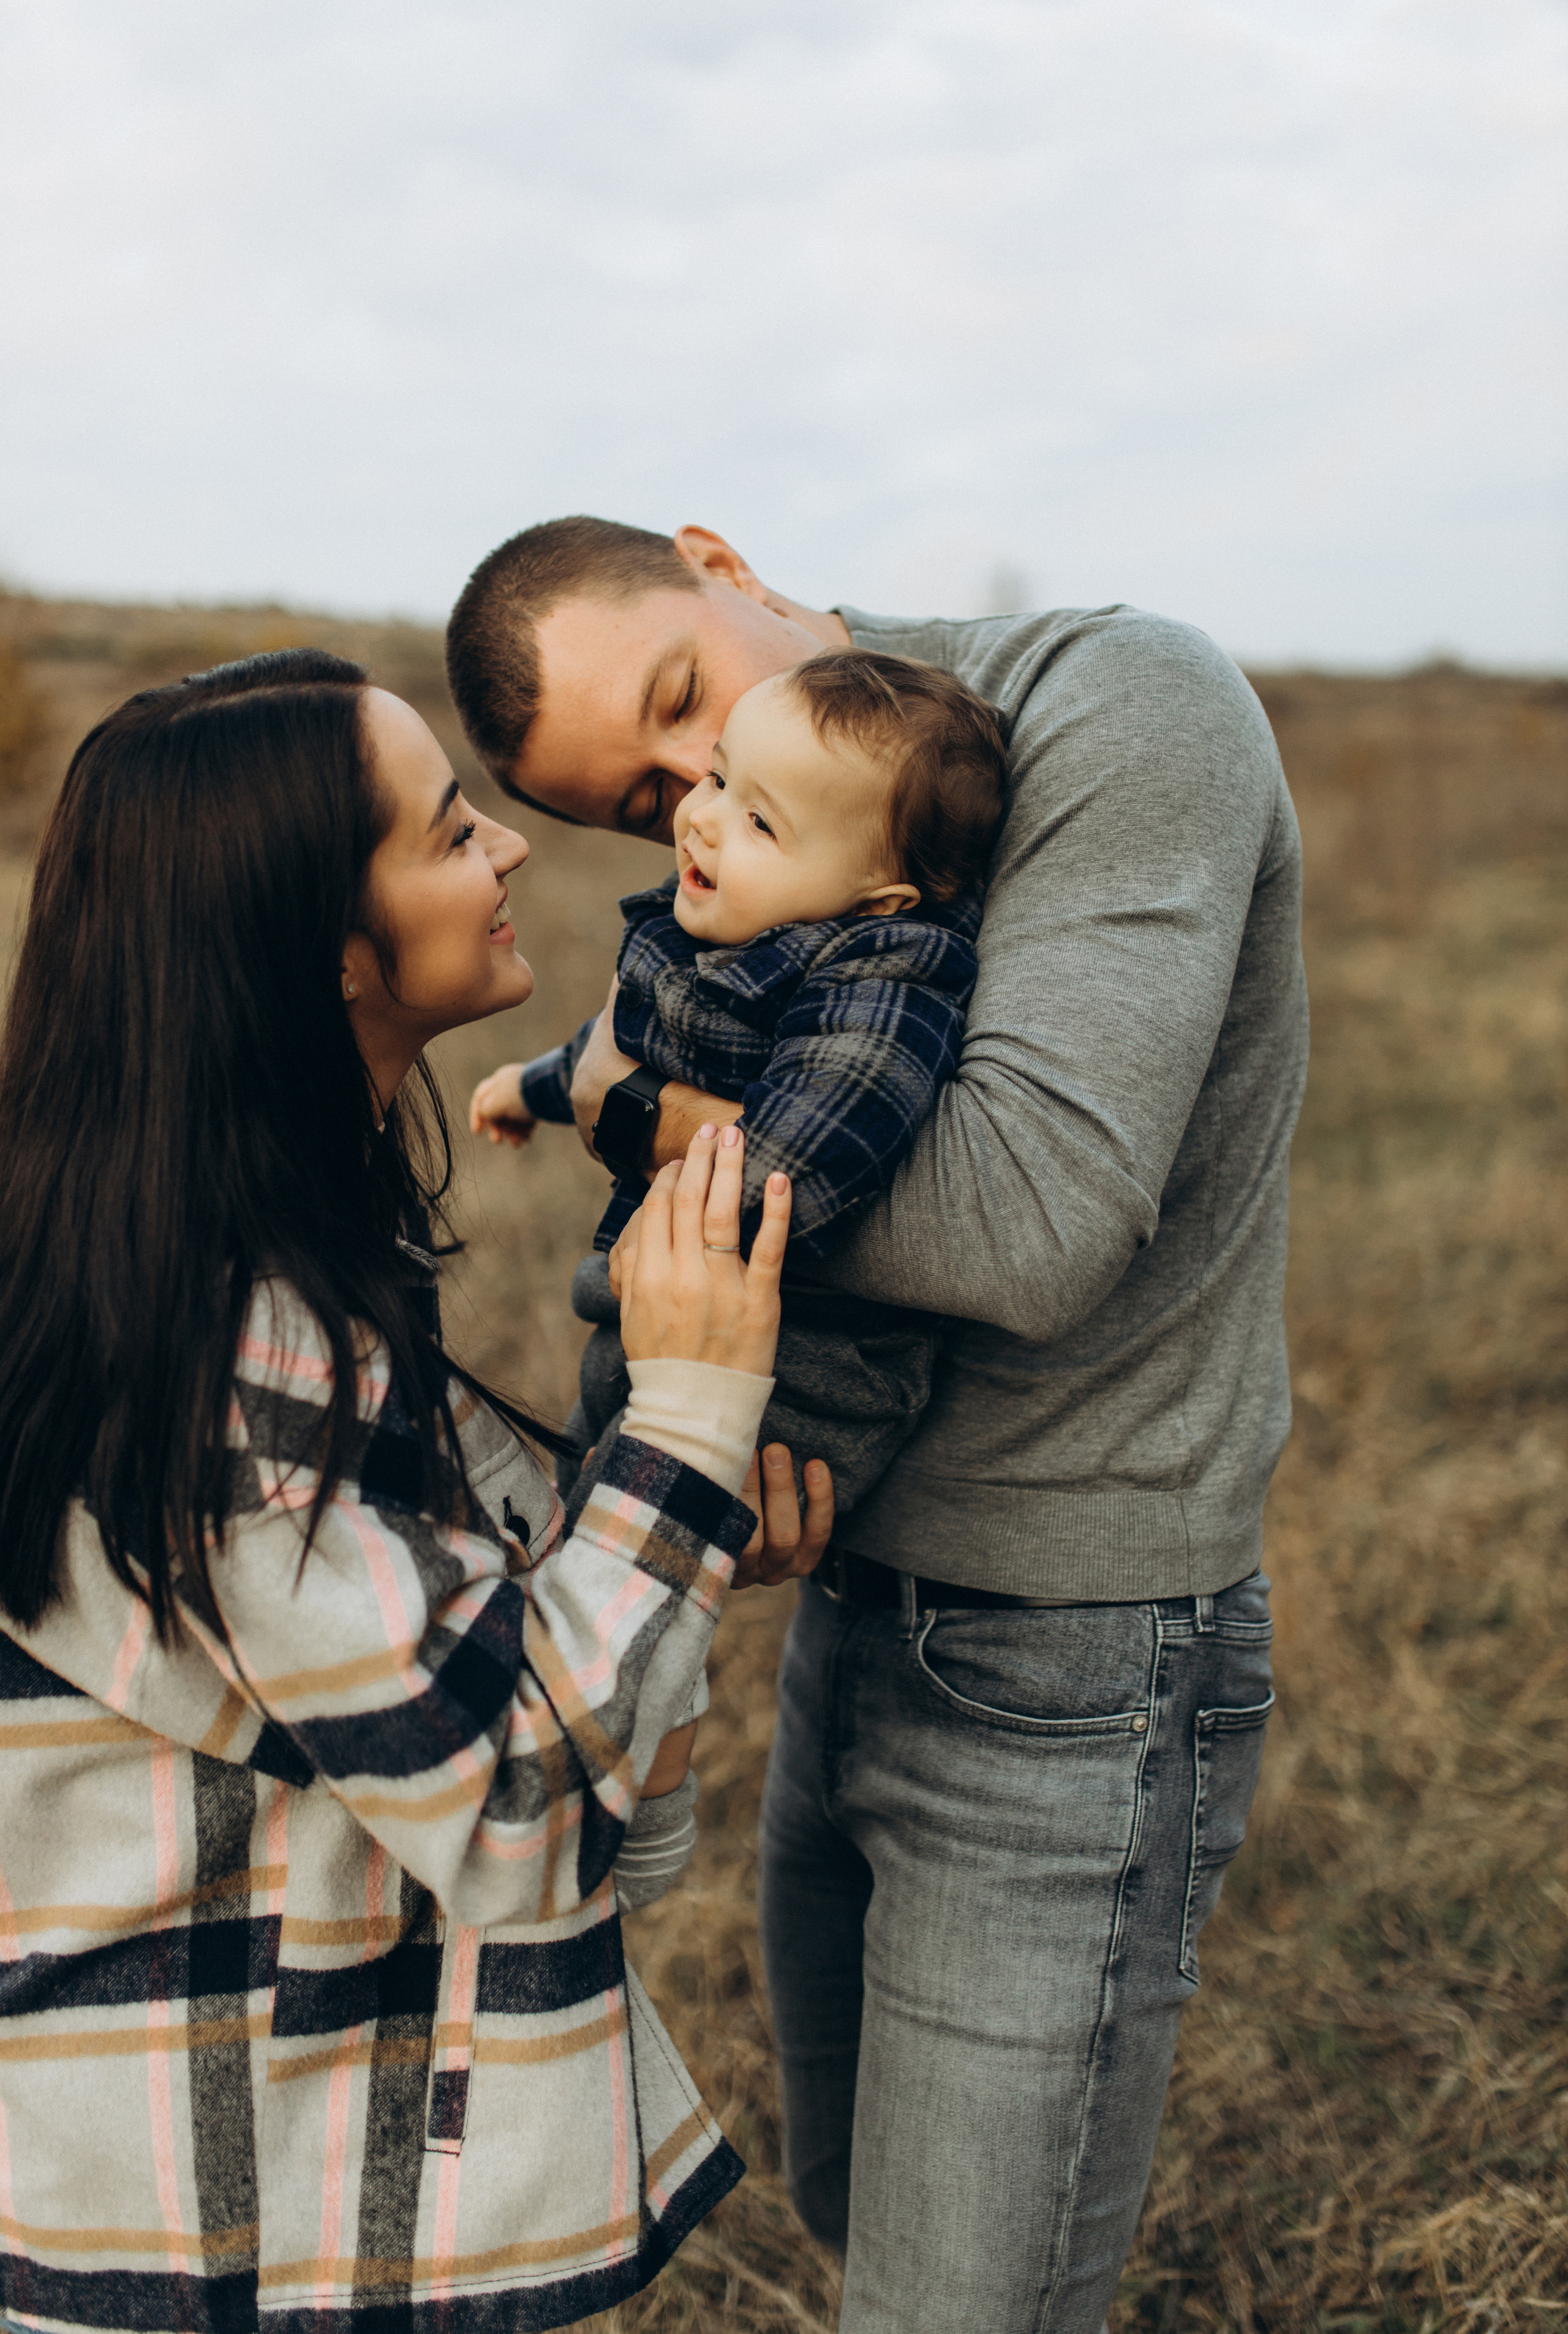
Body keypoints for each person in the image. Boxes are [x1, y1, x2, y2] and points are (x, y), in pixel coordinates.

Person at [445, 518, 1308, 2332]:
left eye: (685, 697)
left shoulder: (1110, 705)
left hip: (1072, 1660)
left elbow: (1023, 1216)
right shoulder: (751, 875)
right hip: (848, 1607)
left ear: (718, 556)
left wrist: (624, 1104)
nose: (699, 795)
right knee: (855, 2207)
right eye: (648, 793)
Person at [0, 649, 829, 2334]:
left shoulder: (213, 1272)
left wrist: (664, 1554)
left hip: (216, 2202)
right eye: (451, 833)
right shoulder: (231, 1340)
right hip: (219, 2244)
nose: (509, 849)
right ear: (323, 947)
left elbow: (492, 1762)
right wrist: (684, 1413)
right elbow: (525, 1815)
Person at [471, 647, 1008, 1524]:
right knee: (551, 1523)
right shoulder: (742, 926)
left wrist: (625, 1114)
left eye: (763, 824)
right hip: (662, 1329)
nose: (703, 821)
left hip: (794, 1381)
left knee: (604, 1556)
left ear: (879, 900)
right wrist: (530, 1088)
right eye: (719, 779)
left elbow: (794, 1171)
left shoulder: (883, 985)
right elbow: (627, 1046)